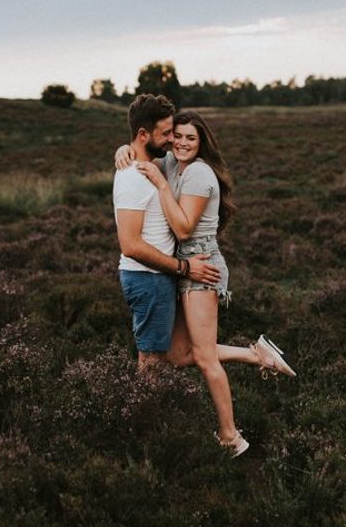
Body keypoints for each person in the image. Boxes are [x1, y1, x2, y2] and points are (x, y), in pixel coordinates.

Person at [115, 109, 296, 458]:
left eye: (190, 138)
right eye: (176, 136)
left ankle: (231, 436)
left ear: (202, 143)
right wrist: (123, 148)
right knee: (179, 355)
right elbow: (145, 149)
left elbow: (183, 229)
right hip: (184, 267)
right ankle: (257, 354)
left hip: (201, 266)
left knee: (204, 356)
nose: (180, 143)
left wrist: (160, 184)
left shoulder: (197, 173)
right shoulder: (171, 162)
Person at [114, 95, 221, 374]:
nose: (172, 141)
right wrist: (184, 267)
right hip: (148, 279)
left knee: (162, 359)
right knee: (152, 364)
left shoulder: (151, 167)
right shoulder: (133, 177)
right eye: (165, 134)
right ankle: (143, 417)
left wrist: (123, 148)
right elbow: (130, 245)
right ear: (142, 134)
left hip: (156, 278)